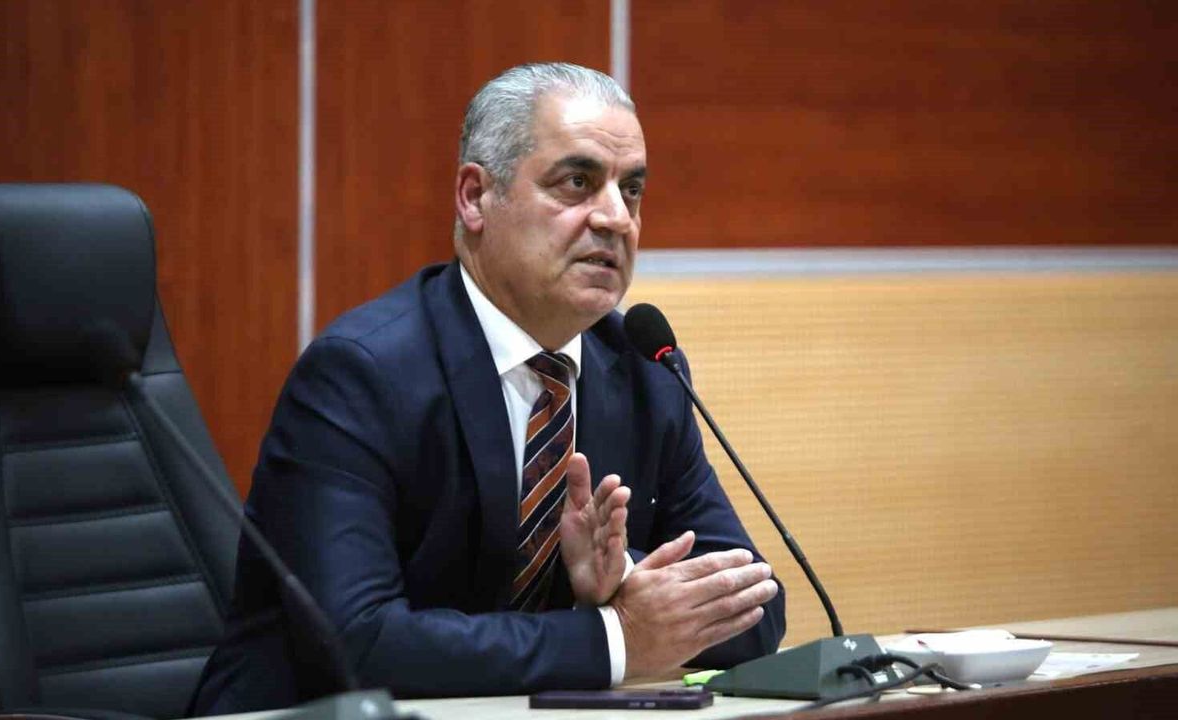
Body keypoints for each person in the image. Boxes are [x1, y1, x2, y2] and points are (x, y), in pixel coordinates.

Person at [192, 62, 785, 713]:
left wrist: (621, 578)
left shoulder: (645, 371)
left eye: (632, 189)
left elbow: (756, 611)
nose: (617, 218)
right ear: (475, 197)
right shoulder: (361, 375)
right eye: (578, 182)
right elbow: (356, 643)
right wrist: (615, 637)